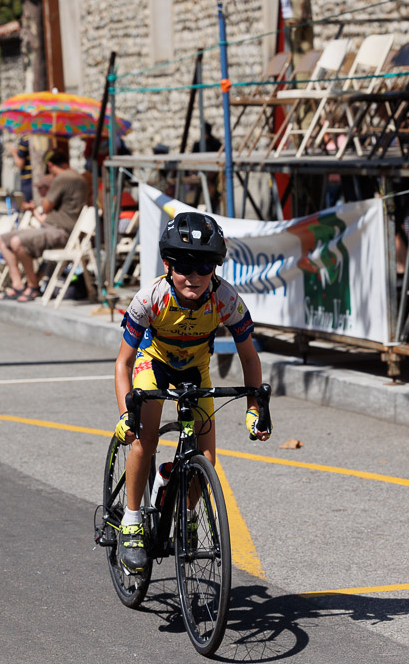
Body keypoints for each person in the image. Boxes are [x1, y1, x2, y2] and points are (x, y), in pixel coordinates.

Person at [111, 211, 272, 573]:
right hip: (152, 364)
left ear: (215, 269)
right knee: (144, 440)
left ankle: (181, 505)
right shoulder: (149, 299)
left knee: (208, 460)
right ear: (168, 264)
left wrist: (252, 408)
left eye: (204, 267)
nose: (194, 276)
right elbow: (122, 363)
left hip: (195, 369)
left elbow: (249, 356)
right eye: (184, 266)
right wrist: (126, 414)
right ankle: (132, 521)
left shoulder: (226, 299)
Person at [0, 150, 87, 303]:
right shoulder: (81, 178)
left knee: (15, 242)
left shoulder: (62, 178)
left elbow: (45, 207)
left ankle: (32, 285)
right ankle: (18, 284)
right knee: (3, 240)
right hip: (59, 230)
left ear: (51, 165)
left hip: (59, 231)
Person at [6, 136, 33, 205]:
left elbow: (20, 164)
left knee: (28, 207)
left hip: (28, 181)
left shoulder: (25, 139)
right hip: (41, 180)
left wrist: (14, 153)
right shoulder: (42, 137)